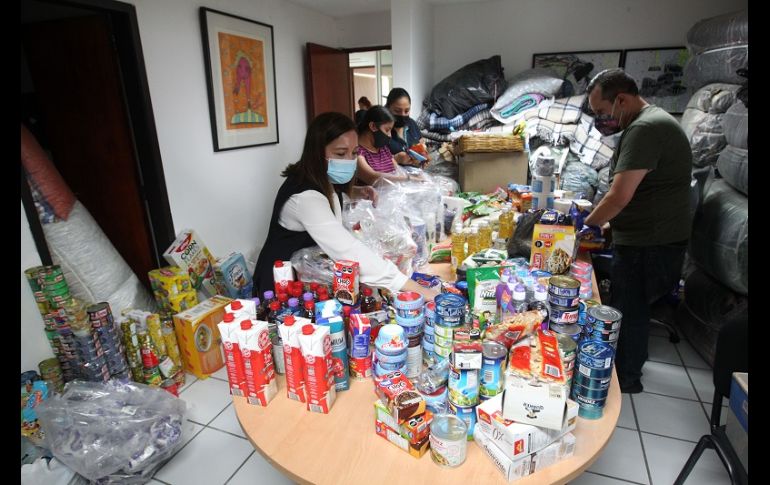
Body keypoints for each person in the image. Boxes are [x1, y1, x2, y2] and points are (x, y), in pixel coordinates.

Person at [581, 68, 693, 394]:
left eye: (602, 111)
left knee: (629, 310)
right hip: (648, 236)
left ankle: (626, 379)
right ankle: (625, 370)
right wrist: (606, 224)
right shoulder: (648, 123)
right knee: (631, 306)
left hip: (649, 242)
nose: (600, 119)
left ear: (621, 100)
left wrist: (584, 227)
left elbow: (619, 196)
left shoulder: (645, 128)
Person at [252, 112, 437, 301]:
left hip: (306, 278)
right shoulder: (306, 197)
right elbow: (347, 250)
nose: (349, 160)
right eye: (341, 153)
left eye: (354, 153)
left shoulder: (321, 177)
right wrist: (410, 286)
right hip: (281, 286)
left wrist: (356, 192)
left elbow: (330, 196)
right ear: (317, 152)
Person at [355, 106, 413, 185]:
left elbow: (398, 172)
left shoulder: (383, 149)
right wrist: (409, 178)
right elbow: (374, 178)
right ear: (373, 126)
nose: (390, 135)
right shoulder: (357, 153)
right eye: (387, 130)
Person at [385, 88, 425, 167]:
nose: (403, 115)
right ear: (388, 108)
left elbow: (421, 141)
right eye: (397, 111)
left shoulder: (412, 124)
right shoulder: (382, 130)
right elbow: (373, 162)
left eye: (406, 111)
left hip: (414, 172)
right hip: (392, 174)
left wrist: (423, 154)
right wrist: (395, 159)